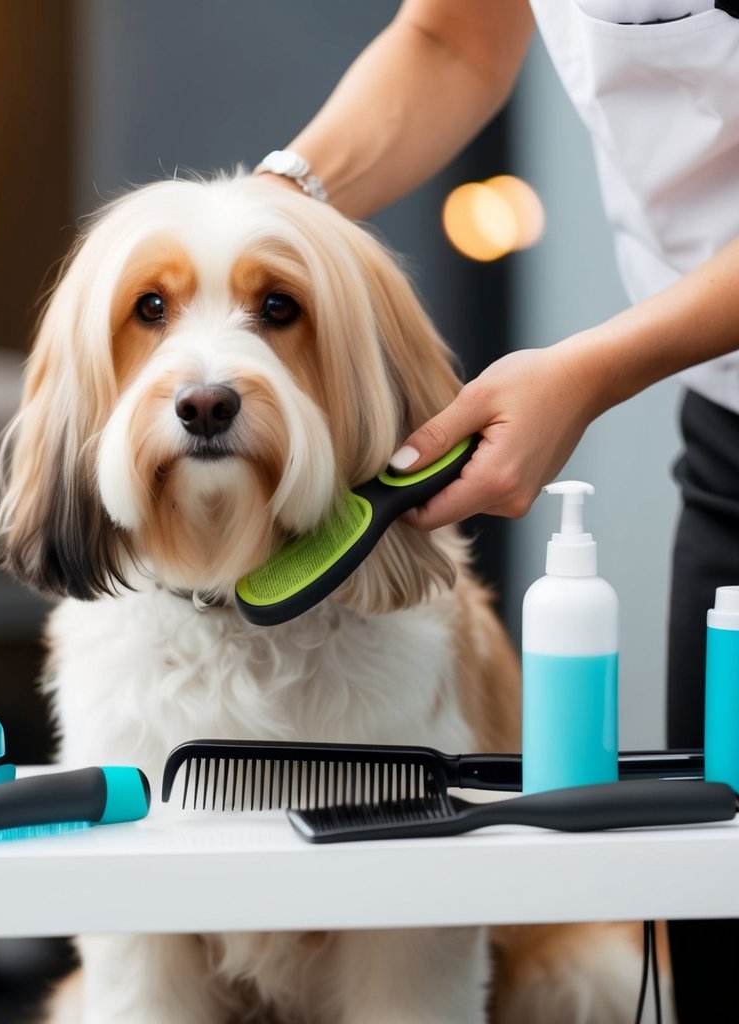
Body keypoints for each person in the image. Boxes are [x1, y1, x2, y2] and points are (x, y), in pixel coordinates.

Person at [253, 1, 739, 1020]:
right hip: (728, 426)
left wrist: (595, 368)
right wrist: (281, 199)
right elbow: (451, 37)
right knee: (719, 909)